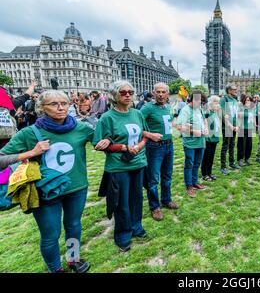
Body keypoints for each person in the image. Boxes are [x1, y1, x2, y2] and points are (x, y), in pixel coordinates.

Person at [0, 90, 110, 273]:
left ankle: (73, 259)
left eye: (64, 103)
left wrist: (106, 140)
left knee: (74, 226)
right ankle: (55, 269)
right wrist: (31, 153)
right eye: (53, 104)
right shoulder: (29, 133)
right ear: (42, 108)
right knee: (51, 234)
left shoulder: (81, 127)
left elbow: (100, 139)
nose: (60, 107)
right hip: (45, 192)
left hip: (77, 189)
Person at [93, 81, 149, 252]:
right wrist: (121, 147)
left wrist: (140, 146)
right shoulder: (107, 118)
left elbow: (144, 135)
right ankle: (123, 233)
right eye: (123, 92)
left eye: (130, 92)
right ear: (114, 96)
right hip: (118, 166)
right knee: (121, 202)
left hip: (138, 163)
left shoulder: (137, 113)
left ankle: (136, 226)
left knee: (137, 198)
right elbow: (98, 144)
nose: (127, 95)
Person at [140, 83, 179, 222]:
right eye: (158, 92)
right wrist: (150, 135)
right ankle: (155, 207)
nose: (161, 94)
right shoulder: (147, 108)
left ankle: (166, 200)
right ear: (154, 93)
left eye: (163, 92)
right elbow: (136, 124)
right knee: (153, 179)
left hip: (169, 145)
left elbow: (169, 123)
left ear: (168, 94)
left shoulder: (168, 107)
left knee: (167, 176)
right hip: (154, 147)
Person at [176, 90, 208, 197]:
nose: (200, 104)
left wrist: (206, 129)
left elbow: (204, 121)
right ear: (192, 99)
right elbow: (179, 127)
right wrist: (194, 131)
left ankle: (195, 182)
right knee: (189, 164)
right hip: (190, 143)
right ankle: (189, 186)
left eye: (202, 102)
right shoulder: (185, 110)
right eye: (199, 101)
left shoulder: (199, 109)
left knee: (197, 164)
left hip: (201, 142)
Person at [219, 85, 240, 175]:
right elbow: (222, 113)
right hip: (227, 127)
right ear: (229, 90)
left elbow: (237, 114)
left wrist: (237, 125)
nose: (236, 90)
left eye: (236, 89)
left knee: (232, 145)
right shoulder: (224, 99)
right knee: (225, 146)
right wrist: (229, 125)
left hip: (234, 126)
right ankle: (223, 167)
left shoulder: (235, 100)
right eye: (234, 89)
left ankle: (231, 163)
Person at [201, 95, 221, 181]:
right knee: (206, 157)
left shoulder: (215, 113)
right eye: (216, 103)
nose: (218, 105)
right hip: (208, 139)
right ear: (211, 104)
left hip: (214, 138)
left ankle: (209, 172)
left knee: (212, 157)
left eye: (218, 103)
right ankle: (204, 174)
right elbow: (202, 120)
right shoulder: (207, 113)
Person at [237, 95, 255, 166]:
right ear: (244, 101)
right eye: (247, 100)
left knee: (249, 144)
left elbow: (253, 117)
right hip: (242, 128)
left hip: (249, 128)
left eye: (249, 100)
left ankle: (247, 158)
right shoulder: (241, 108)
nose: (248, 101)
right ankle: (240, 159)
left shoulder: (252, 109)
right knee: (241, 145)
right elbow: (239, 116)